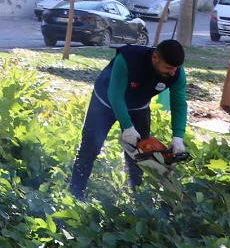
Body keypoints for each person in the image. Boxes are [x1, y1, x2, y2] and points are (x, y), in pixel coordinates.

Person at [67, 38, 189, 198]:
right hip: (105, 102)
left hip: (138, 106)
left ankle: (135, 195)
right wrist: (127, 127)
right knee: (90, 148)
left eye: (176, 69)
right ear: (155, 58)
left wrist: (178, 137)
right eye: (168, 68)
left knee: (141, 155)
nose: (172, 73)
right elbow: (115, 95)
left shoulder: (177, 73)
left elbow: (179, 104)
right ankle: (75, 193)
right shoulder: (128, 59)